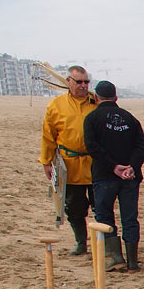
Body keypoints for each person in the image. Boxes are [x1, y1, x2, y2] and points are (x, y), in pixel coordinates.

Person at [83, 80, 144, 273]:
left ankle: (116, 258)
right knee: (130, 217)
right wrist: (131, 167)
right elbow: (141, 146)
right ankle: (133, 261)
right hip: (129, 177)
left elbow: (91, 147)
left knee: (104, 215)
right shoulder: (130, 118)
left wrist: (113, 167)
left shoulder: (92, 118)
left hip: (104, 176)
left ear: (96, 98)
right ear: (116, 97)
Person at [40, 65, 97, 255]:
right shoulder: (56, 105)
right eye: (79, 81)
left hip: (95, 164)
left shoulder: (96, 102)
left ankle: (104, 244)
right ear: (69, 82)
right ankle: (81, 242)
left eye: (86, 82)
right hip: (69, 166)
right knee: (74, 207)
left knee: (101, 206)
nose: (83, 85)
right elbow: (48, 135)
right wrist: (46, 161)